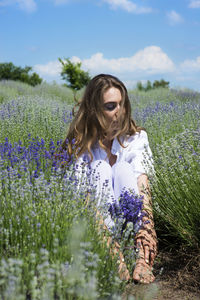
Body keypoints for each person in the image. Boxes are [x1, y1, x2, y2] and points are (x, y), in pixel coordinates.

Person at [62, 74, 158, 284]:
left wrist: (147, 233)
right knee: (99, 168)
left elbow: (143, 189)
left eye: (122, 105)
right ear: (94, 110)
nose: (119, 112)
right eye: (110, 106)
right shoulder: (80, 144)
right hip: (95, 226)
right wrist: (109, 247)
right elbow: (82, 200)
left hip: (131, 224)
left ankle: (139, 254)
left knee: (123, 168)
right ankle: (112, 255)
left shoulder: (135, 138)